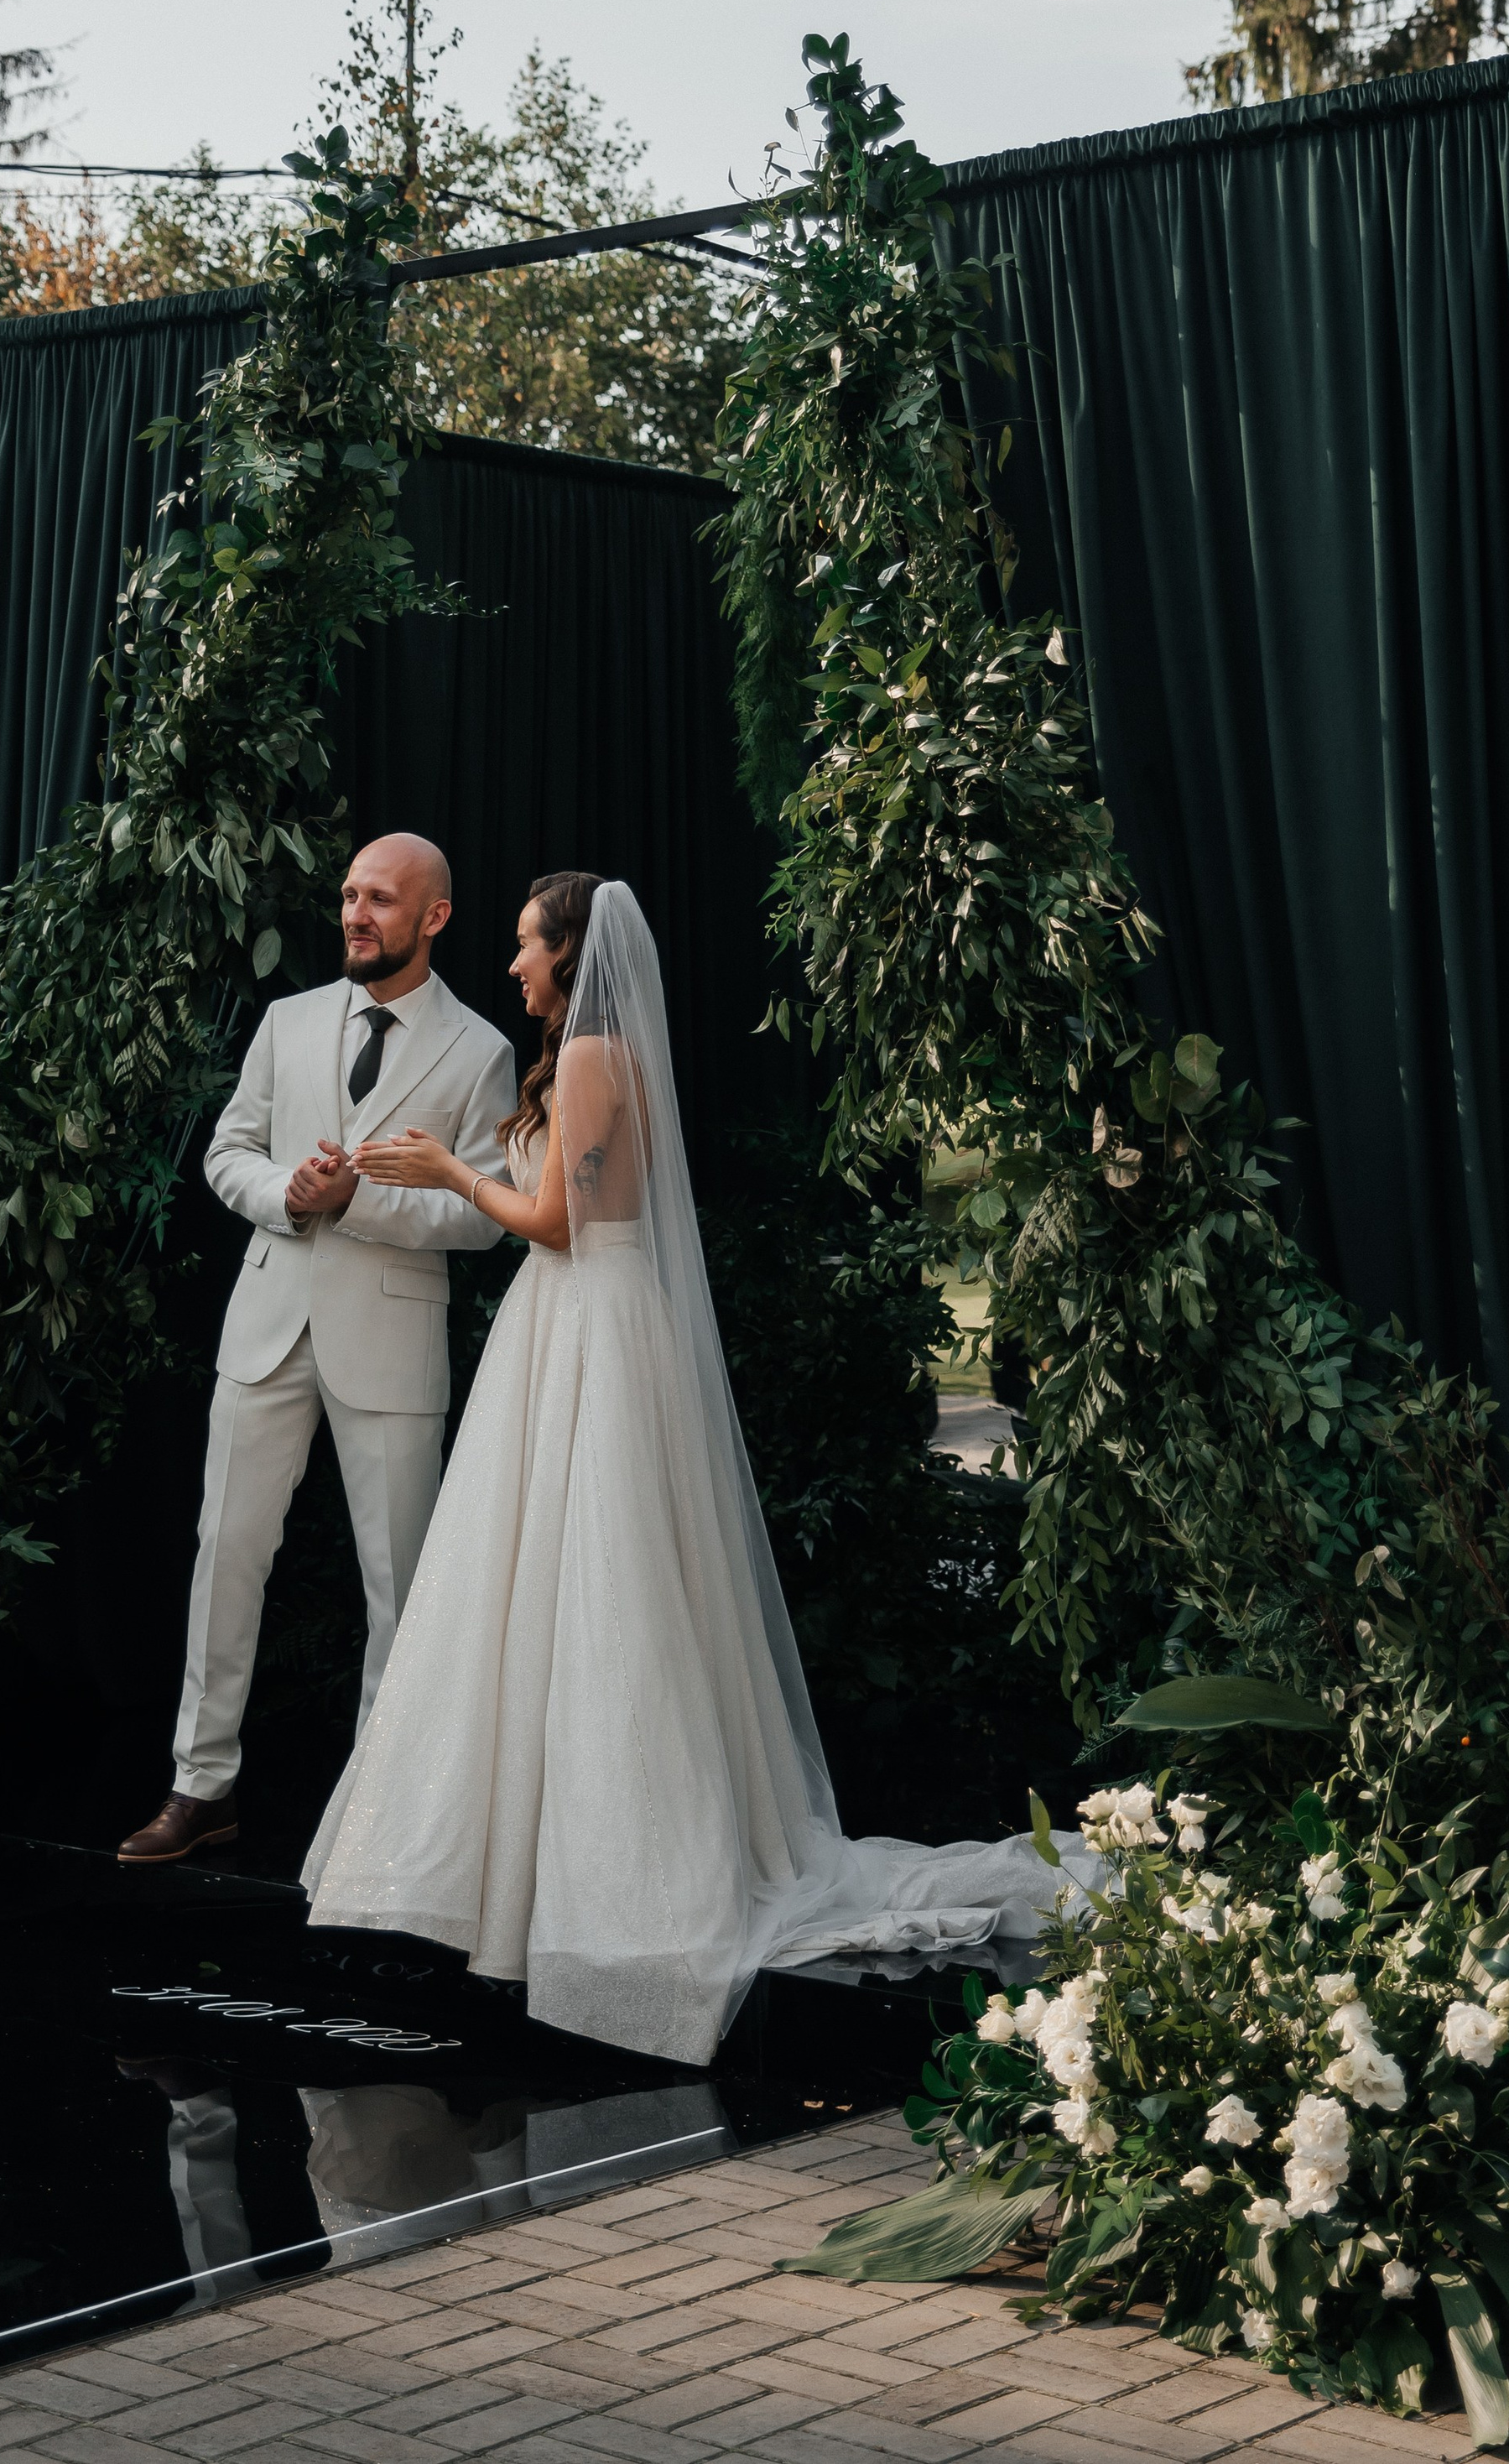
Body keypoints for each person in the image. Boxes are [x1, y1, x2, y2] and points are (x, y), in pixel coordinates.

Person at [303, 872, 1090, 2066]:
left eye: (525, 947)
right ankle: (529, 1867)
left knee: (582, 1581)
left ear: (571, 953)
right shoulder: (620, 1057)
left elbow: (562, 1220)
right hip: (609, 1323)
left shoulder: (583, 1060)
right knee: (593, 1576)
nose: (515, 967)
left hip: (579, 1315)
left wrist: (452, 1173)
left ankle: (576, 1885)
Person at [118, 833, 514, 1865]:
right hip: (265, 1323)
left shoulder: (479, 1051)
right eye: (347, 895)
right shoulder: (287, 1021)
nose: (353, 913)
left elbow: (486, 1215)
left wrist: (364, 1200)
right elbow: (228, 1151)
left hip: (389, 1338)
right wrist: (287, 1195)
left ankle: (383, 1815)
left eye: (378, 899)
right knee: (226, 1556)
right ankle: (199, 1788)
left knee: (401, 1581)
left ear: (432, 916)